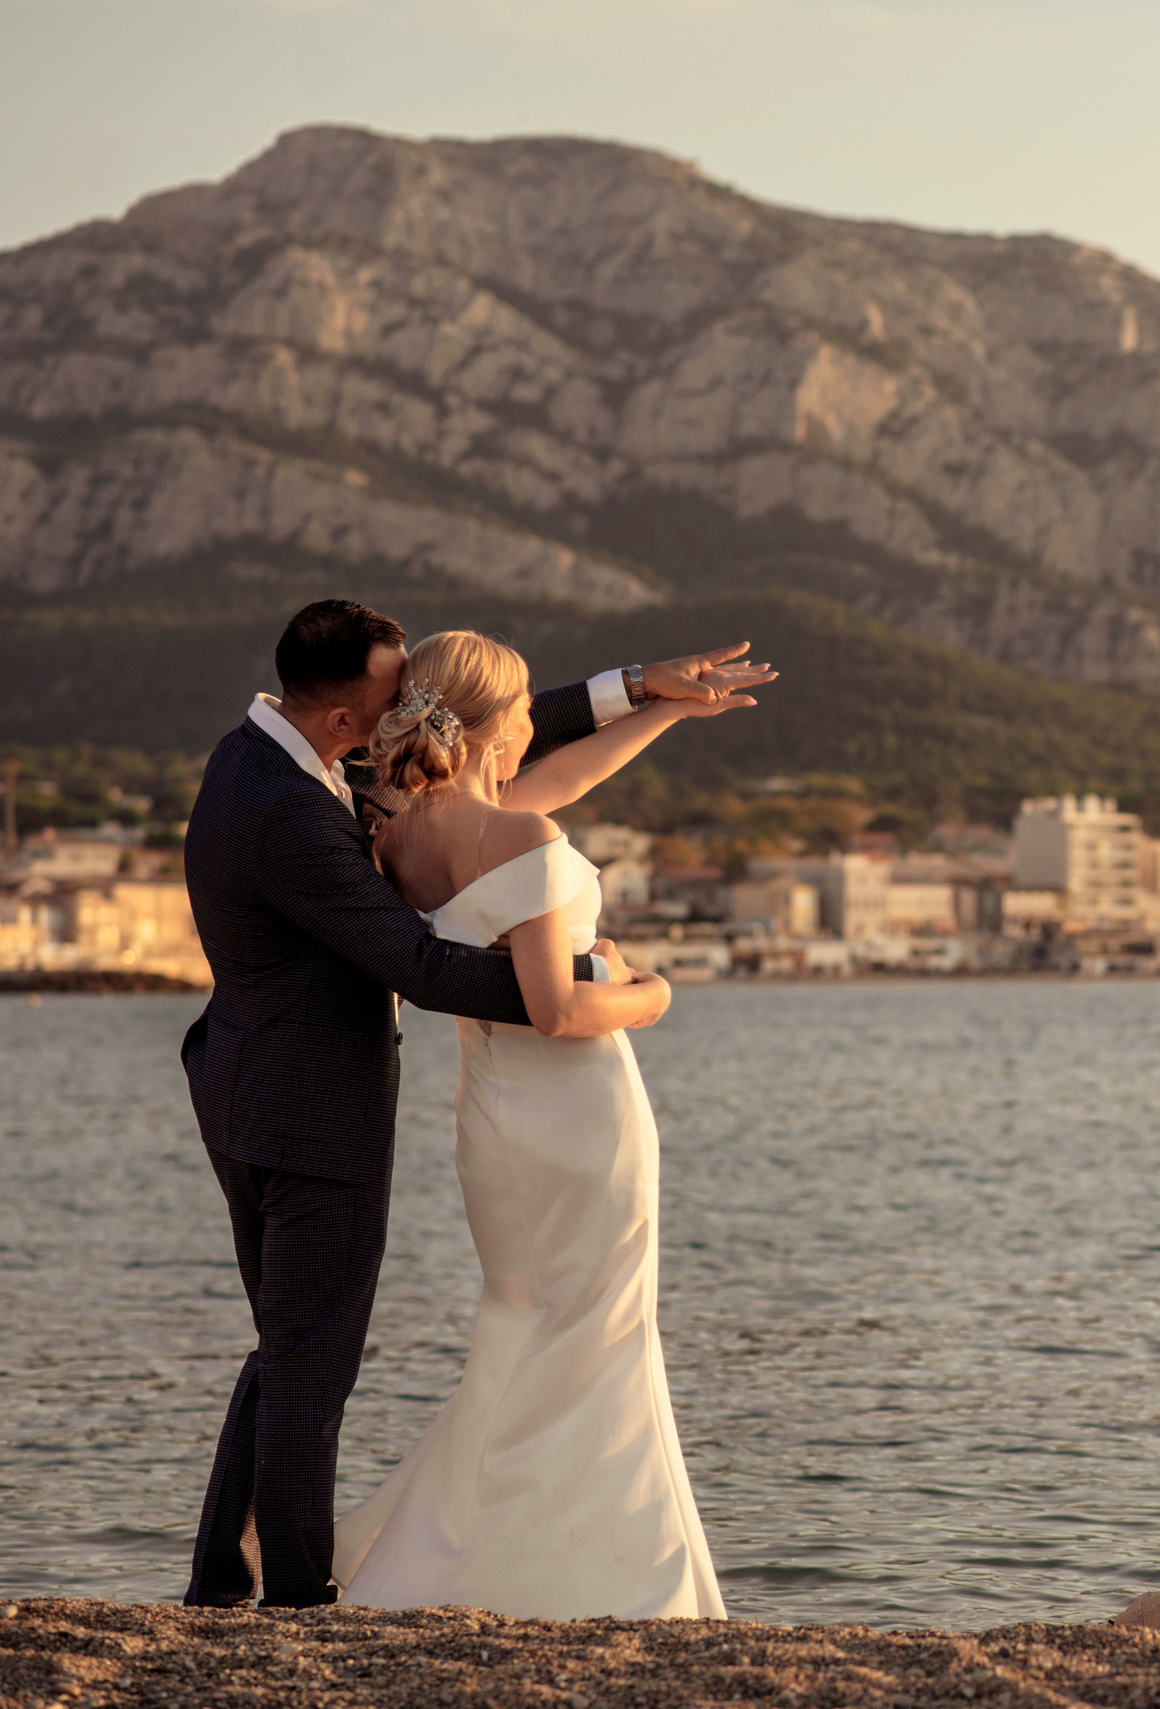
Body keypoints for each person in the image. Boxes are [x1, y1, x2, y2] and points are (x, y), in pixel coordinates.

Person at [180, 599, 775, 1610]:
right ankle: (292, 1596)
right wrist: (613, 984)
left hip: (297, 1092)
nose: (403, 706)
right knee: (316, 1357)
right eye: (389, 693)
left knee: (301, 1343)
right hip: (331, 1110)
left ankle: (221, 1578)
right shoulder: (300, 812)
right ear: (345, 723)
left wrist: (643, 694)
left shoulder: (331, 788)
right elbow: (425, 963)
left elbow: (505, 733)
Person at [331, 630, 744, 1619]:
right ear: (488, 725)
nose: (533, 723)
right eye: (520, 710)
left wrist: (661, 709)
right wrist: (651, 994)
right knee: (601, 1328)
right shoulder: (517, 837)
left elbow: (565, 770)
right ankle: (612, 1575)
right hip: (578, 1117)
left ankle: (454, 1553)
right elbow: (557, 1006)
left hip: (493, 1121)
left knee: (523, 1321)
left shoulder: (402, 837)